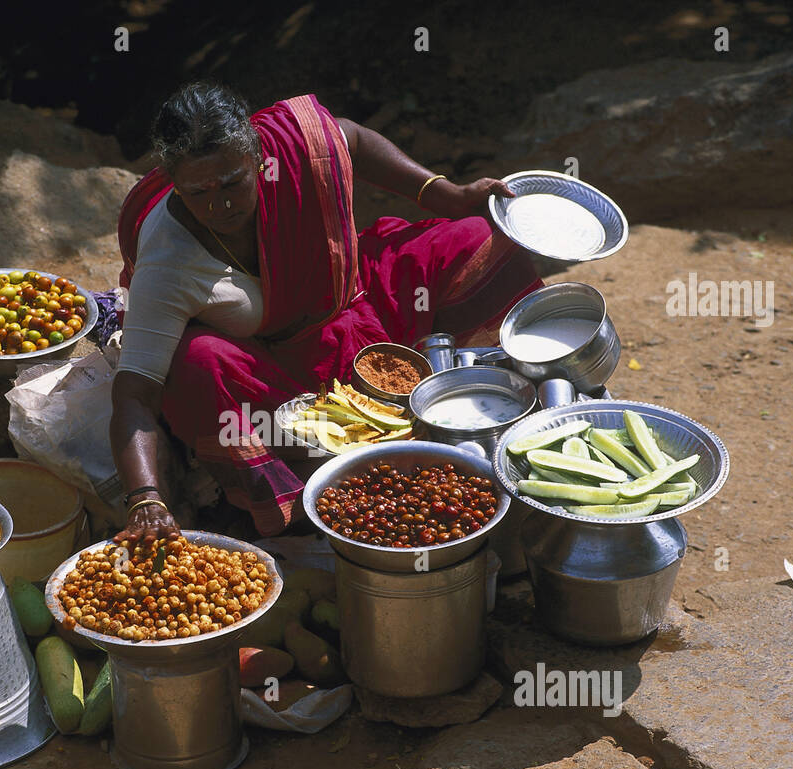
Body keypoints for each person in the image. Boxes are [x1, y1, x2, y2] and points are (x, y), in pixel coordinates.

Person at [112, 81, 542, 544]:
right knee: (197, 364)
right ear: (174, 182)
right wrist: (145, 498)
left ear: (259, 159)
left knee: (476, 238)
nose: (220, 203)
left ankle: (511, 399)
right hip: (281, 380)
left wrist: (444, 195)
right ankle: (299, 504)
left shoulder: (289, 149)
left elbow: (351, 138)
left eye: (233, 182)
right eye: (198, 192)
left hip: (360, 300)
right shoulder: (166, 261)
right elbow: (135, 394)